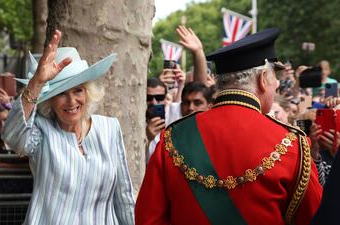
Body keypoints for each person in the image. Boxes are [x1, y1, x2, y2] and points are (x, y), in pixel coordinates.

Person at [136, 28, 322, 225]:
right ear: (263, 79)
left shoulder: (173, 136)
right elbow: (315, 218)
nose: (276, 85)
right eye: (274, 76)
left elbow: (148, 218)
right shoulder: (291, 142)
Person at [1, 30, 134, 225]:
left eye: (78, 90)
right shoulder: (41, 130)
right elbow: (12, 136)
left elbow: (123, 196)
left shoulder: (109, 128)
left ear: (88, 93)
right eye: (61, 93)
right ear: (50, 101)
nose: (71, 101)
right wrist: (37, 82)